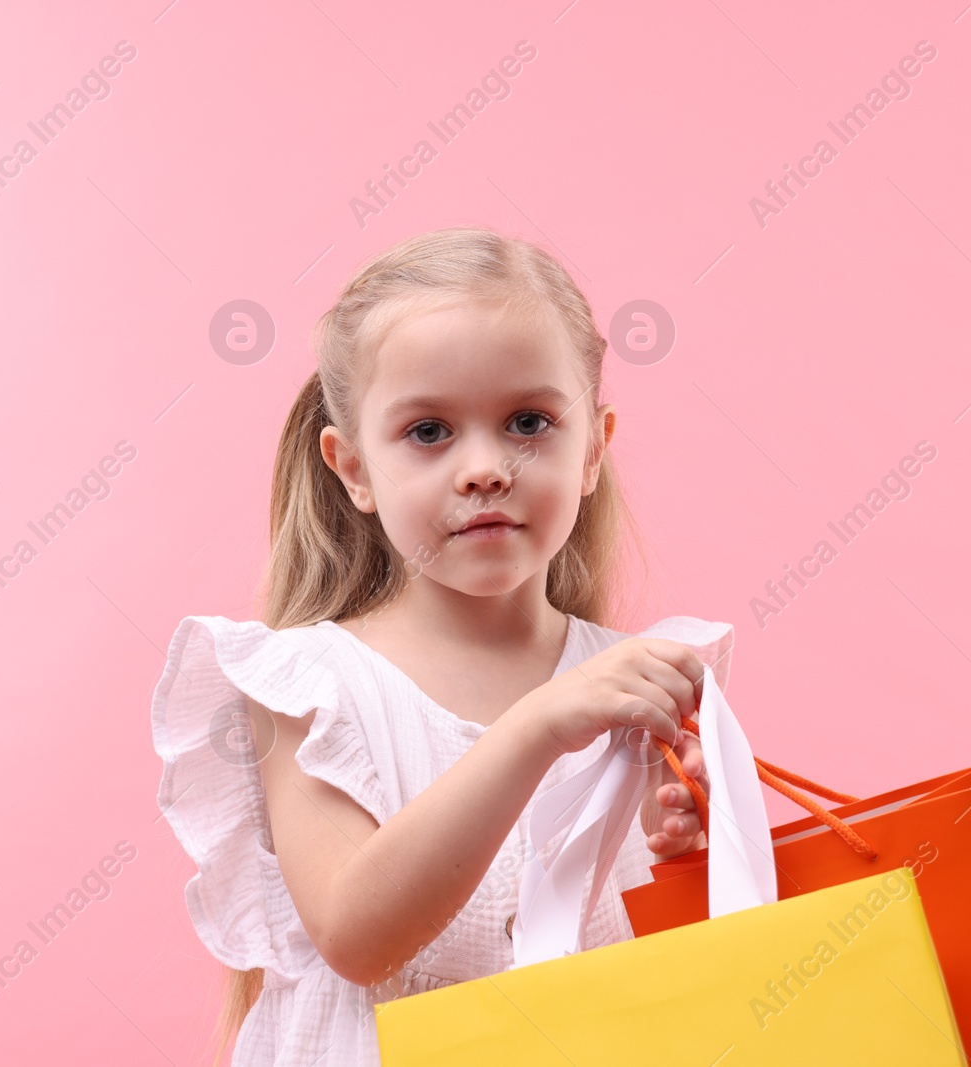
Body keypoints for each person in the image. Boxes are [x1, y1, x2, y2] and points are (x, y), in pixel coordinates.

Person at [150, 226, 760, 1065]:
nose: (484, 467)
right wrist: (538, 725)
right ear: (353, 468)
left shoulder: (632, 683)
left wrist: (687, 863)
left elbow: (677, 983)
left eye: (528, 421)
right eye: (430, 432)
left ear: (593, 450)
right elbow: (361, 938)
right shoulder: (309, 686)